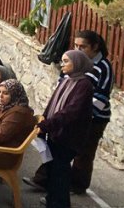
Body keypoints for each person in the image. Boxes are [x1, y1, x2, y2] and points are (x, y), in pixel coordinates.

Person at [29, 31, 114, 195]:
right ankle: (44, 181)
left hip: (92, 118)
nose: (78, 49)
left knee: (82, 154)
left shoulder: (103, 68)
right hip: (67, 116)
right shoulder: (72, 62)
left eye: (83, 46)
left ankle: (75, 185)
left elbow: (101, 97)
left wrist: (84, 116)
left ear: (95, 47)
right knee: (57, 150)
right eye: (76, 45)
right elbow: (60, 89)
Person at [35, 50, 94, 208]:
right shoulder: (66, 80)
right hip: (56, 134)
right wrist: (44, 121)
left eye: (66, 61)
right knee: (54, 171)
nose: (62, 64)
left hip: (69, 137)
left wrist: (47, 125)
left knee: (60, 172)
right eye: (62, 61)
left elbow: (72, 111)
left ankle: (59, 203)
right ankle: (52, 200)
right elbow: (53, 103)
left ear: (78, 63)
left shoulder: (84, 85)